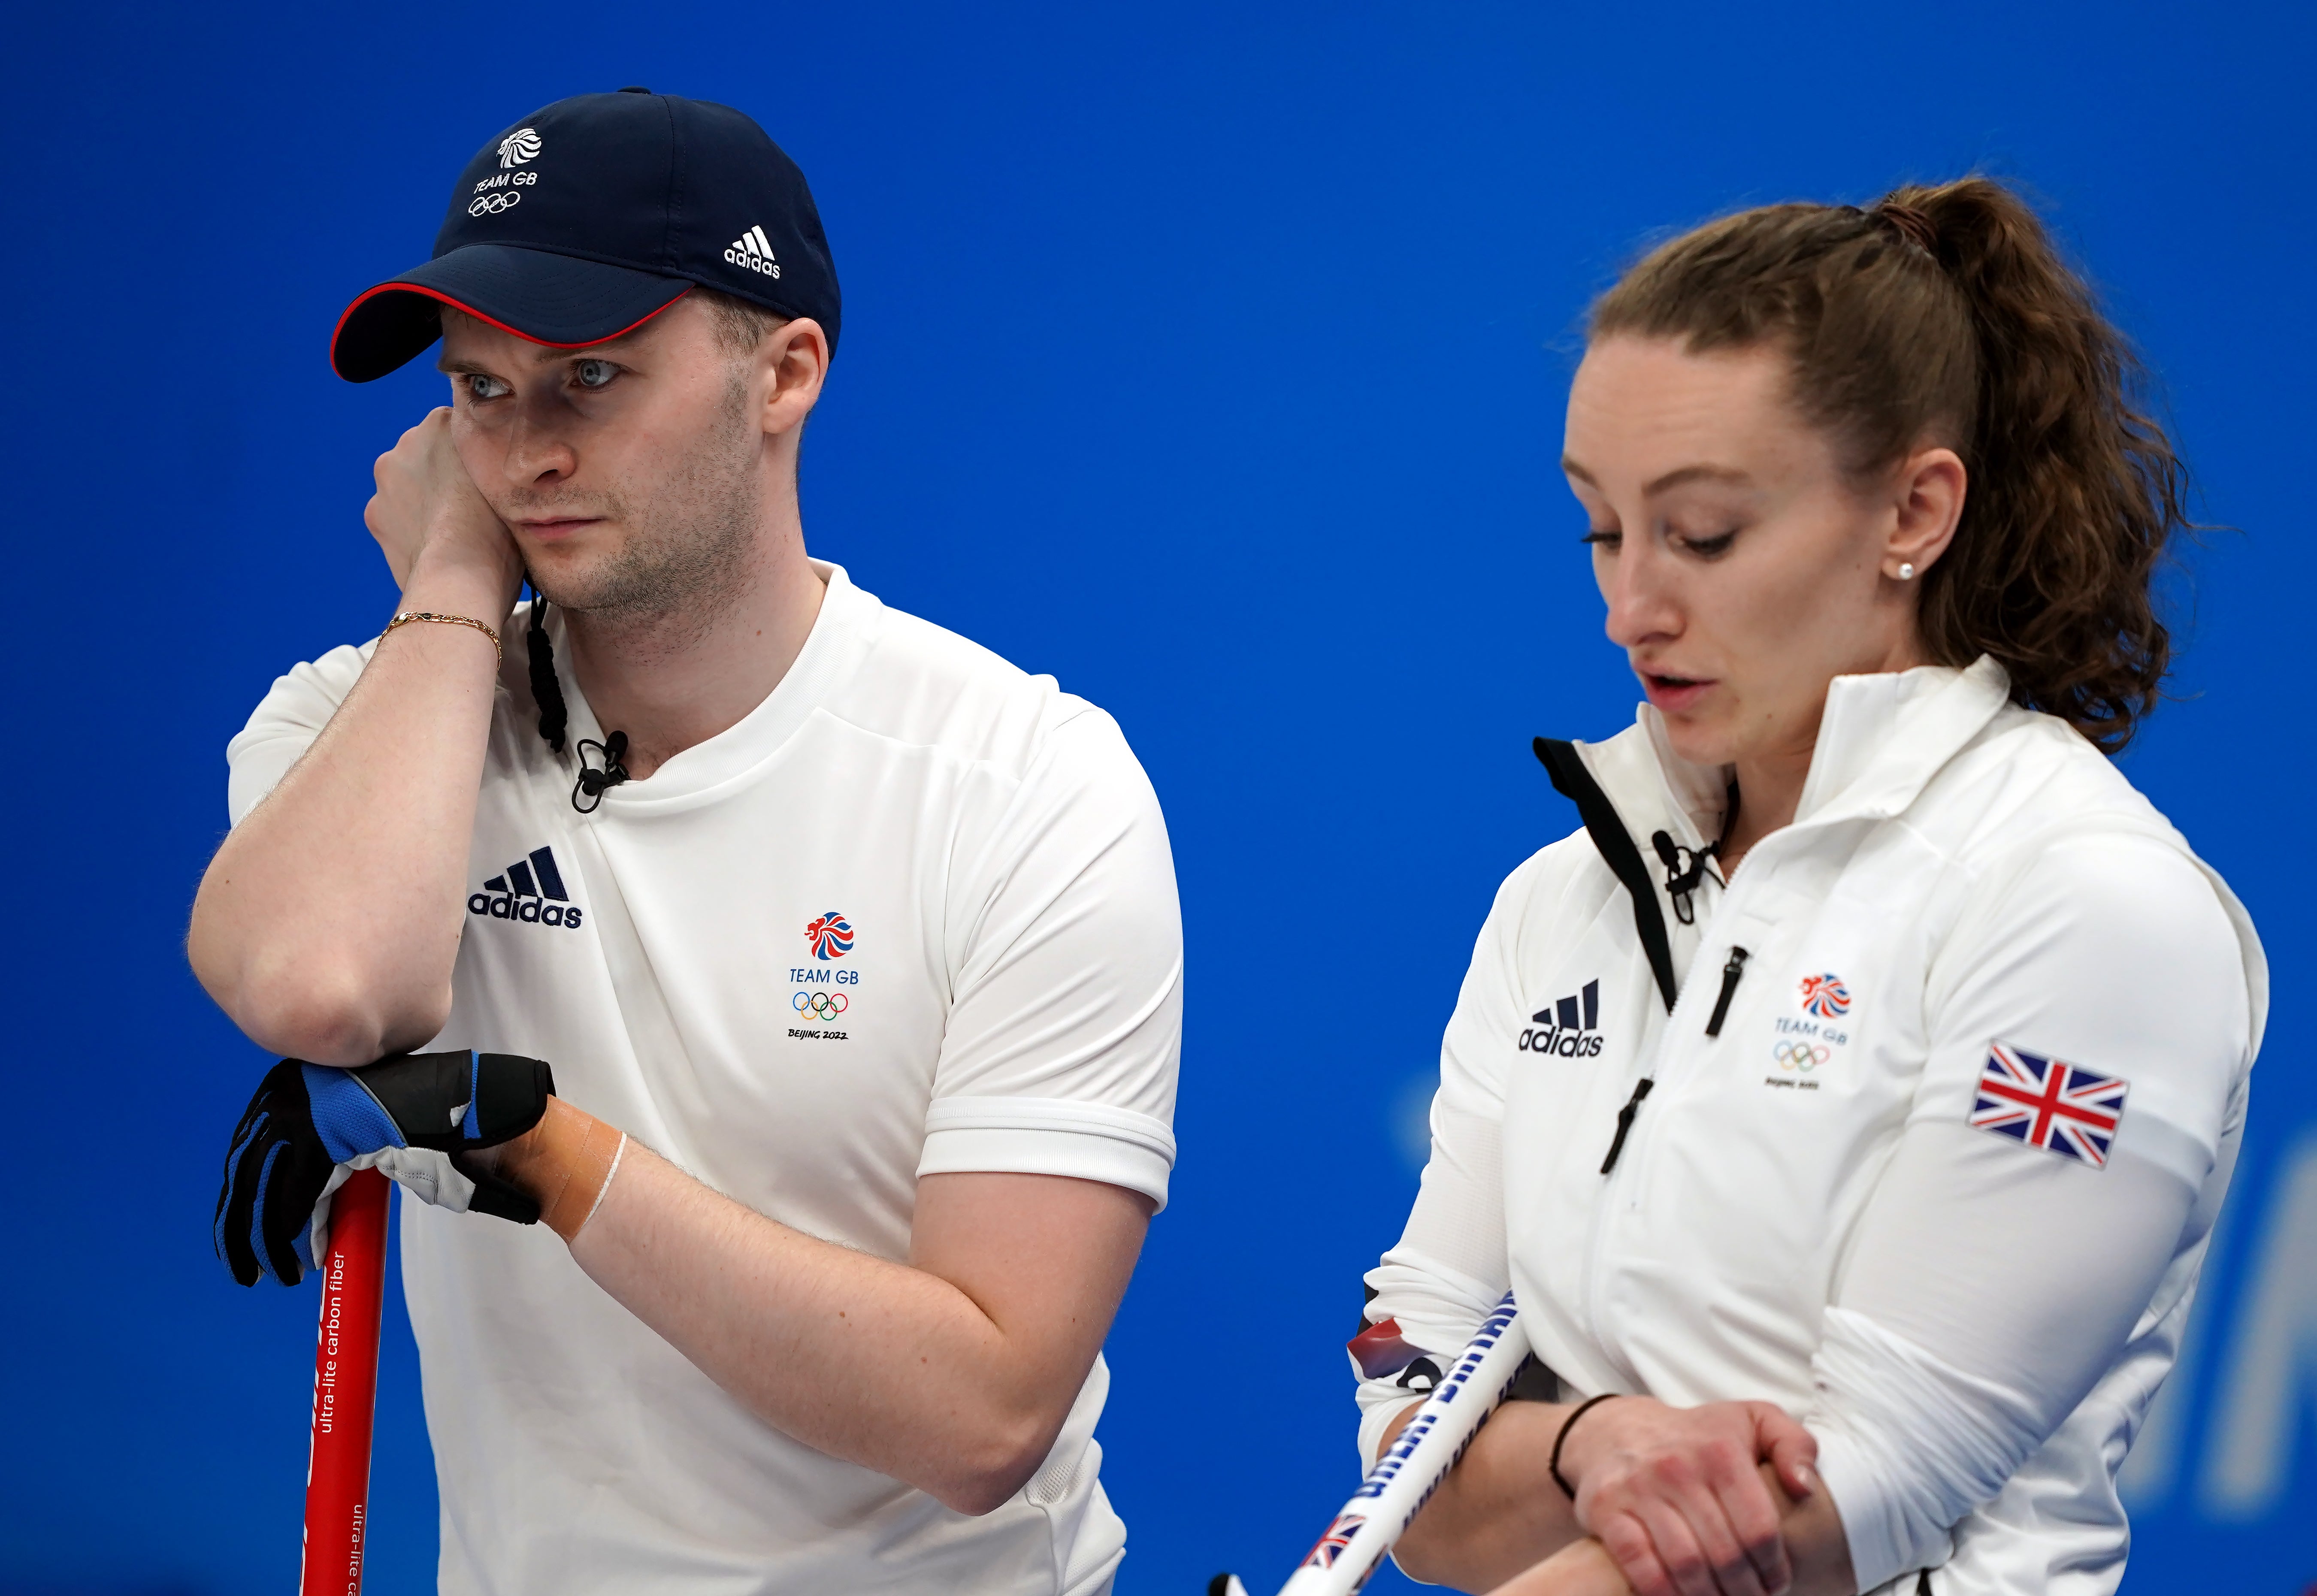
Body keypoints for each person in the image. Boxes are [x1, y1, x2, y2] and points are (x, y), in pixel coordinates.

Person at [189, 89, 1182, 1596]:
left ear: (784, 374)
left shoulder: (1026, 782)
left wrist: (531, 1139)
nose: (527, 454)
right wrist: (455, 577)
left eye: (590, 378)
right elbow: (327, 989)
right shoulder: (372, 718)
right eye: (479, 391)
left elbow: (982, 1412)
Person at [1346, 177, 2263, 1596]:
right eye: (1603, 528)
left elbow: (1839, 1519)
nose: (1630, 605)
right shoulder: (1559, 898)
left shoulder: (2090, 902)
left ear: (1915, 509)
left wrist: (1549, 1471)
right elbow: (1414, 1429)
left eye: (1703, 532)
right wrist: (1591, 1442)